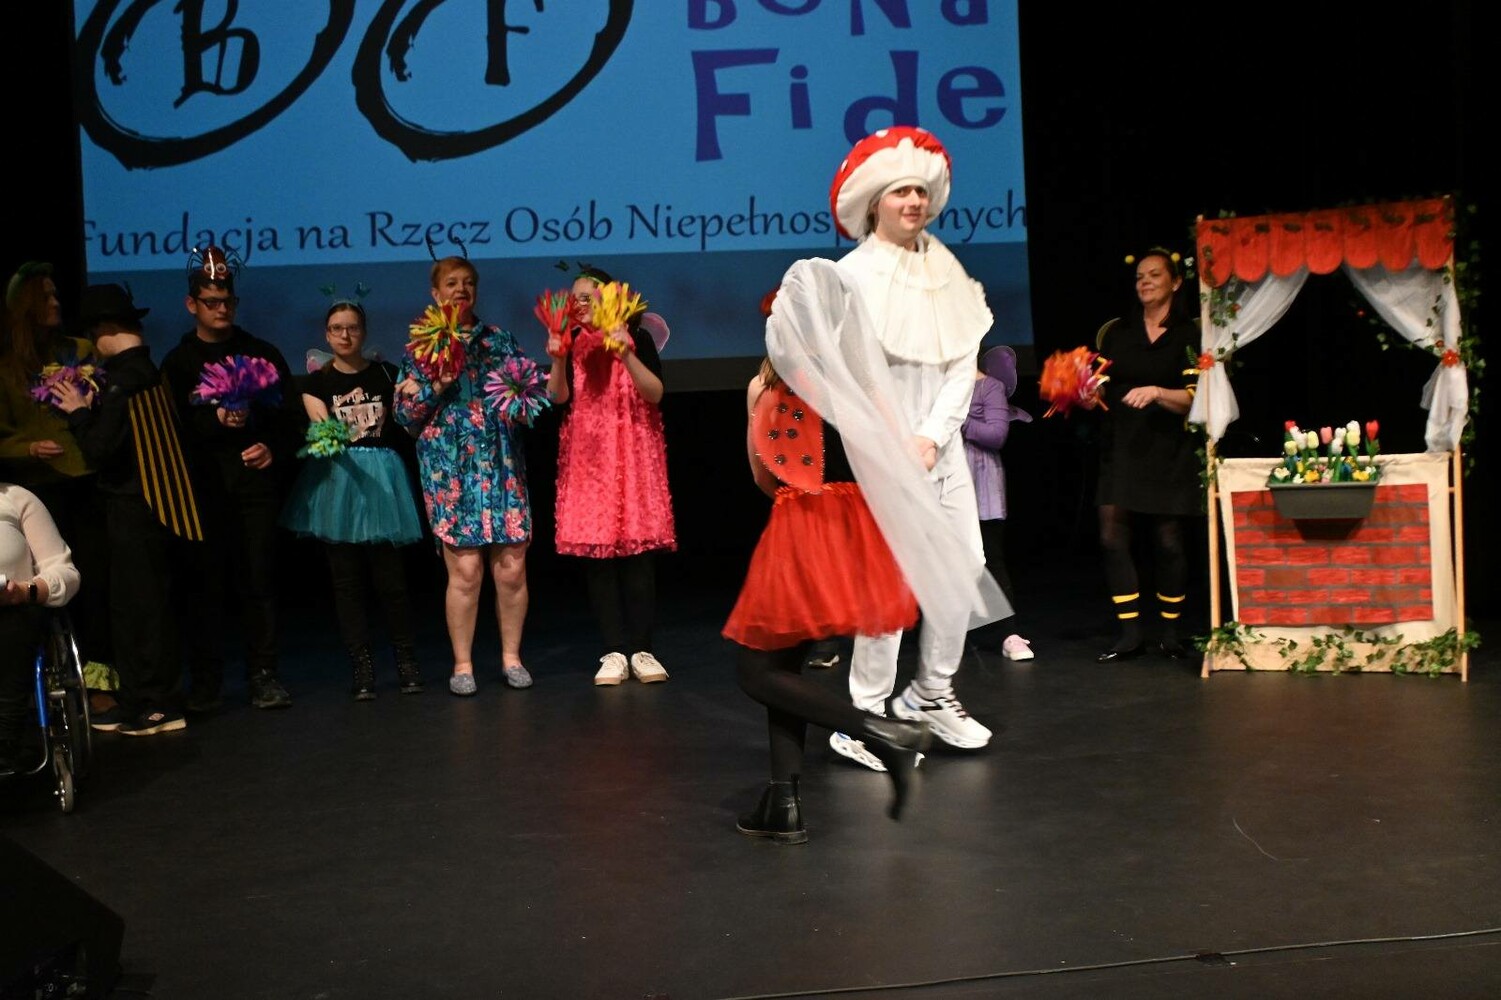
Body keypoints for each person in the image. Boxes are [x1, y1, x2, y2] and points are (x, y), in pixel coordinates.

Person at [832, 126, 1002, 752]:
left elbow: (963, 361)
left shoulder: (945, 270)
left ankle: (931, 691)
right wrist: (898, 440)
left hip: (941, 441)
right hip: (884, 448)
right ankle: (864, 717)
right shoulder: (850, 275)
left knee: (964, 568)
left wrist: (933, 435)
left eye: (921, 191)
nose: (913, 201)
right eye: (900, 190)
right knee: (890, 582)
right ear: (875, 200)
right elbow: (849, 371)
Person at [724, 353, 929, 843]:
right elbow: (894, 463)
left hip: (801, 526)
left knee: (756, 671)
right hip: (856, 527)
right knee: (781, 669)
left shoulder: (762, 386)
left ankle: (882, 734)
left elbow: (762, 477)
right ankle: (784, 803)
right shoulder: (860, 383)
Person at [161, 246, 301, 710]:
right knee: (204, 587)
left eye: (227, 302)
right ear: (192, 304)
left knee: (258, 581)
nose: (221, 309)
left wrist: (272, 447)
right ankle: (206, 681)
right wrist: (214, 419)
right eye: (211, 302)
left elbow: (292, 419)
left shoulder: (261, 353)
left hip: (254, 486)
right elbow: (171, 429)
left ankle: (264, 674)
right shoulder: (179, 363)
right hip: (202, 490)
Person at [57, 284, 200, 736]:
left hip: (140, 506)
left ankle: (159, 703)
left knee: (144, 607)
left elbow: (102, 448)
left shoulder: (129, 378)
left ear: (104, 330)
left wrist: (78, 412)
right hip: (135, 507)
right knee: (131, 607)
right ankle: (139, 697)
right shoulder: (137, 371)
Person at [394, 256, 534, 696]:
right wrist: (438, 383)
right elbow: (404, 415)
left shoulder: (499, 341)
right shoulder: (421, 348)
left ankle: (512, 658)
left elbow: (527, 399)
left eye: (468, 282)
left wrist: (522, 402)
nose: (461, 289)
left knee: (511, 569)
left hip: (501, 466)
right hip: (451, 471)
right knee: (467, 571)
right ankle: (463, 664)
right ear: (435, 294)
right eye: (452, 283)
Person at [281, 297, 425, 699]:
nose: (345, 335)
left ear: (363, 332)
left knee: (391, 580)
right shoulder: (316, 383)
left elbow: (409, 418)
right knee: (347, 582)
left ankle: (406, 659)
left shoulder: (386, 374)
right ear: (326, 335)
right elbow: (321, 428)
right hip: (340, 481)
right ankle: (362, 667)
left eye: (352, 328)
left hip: (383, 482)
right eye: (337, 329)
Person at [544, 266, 676, 686]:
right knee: (599, 558)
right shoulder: (572, 340)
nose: (579, 304)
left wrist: (626, 353)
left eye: (587, 296)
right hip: (589, 456)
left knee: (638, 554)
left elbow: (655, 392)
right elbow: (558, 397)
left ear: (610, 297)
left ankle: (642, 650)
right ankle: (615, 651)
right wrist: (558, 359)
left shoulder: (637, 336)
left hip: (633, 451)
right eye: (575, 298)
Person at [0, 262, 112, 681]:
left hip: (86, 480)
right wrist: (28, 448)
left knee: (94, 583)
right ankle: (45, 676)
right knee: (42, 581)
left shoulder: (79, 351)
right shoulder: (7, 368)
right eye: (45, 296)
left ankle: (99, 676)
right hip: (37, 488)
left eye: (55, 293)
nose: (55, 302)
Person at [1093, 248, 1200, 661]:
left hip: (1168, 449)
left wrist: (1157, 392)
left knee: (1169, 541)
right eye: (1140, 276)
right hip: (1121, 445)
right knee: (1111, 536)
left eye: (1154, 275)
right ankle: (1130, 633)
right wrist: (1086, 393)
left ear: (1175, 282)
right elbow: (1100, 386)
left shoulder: (1188, 334)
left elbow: (1194, 398)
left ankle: (1170, 632)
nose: (1145, 282)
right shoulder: (1119, 332)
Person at [0, 481, 79, 773]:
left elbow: (65, 572)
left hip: (12, 613)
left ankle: (4, 739)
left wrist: (25, 591)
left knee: (17, 623)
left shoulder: (17, 499)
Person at [963, 345, 1034, 660]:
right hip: (945, 483)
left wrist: (958, 420)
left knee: (990, 559)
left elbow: (996, 435)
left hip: (981, 486)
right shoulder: (938, 387)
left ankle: (1008, 634)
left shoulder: (988, 386)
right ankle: (956, 633)